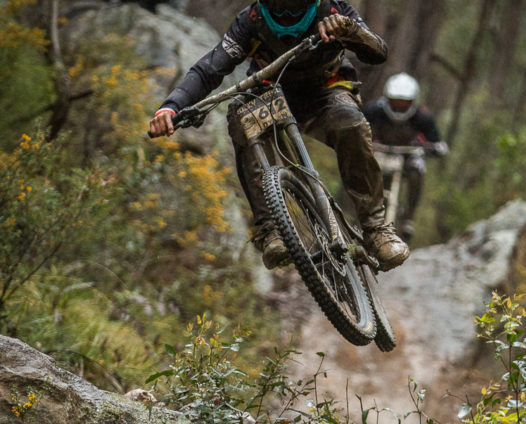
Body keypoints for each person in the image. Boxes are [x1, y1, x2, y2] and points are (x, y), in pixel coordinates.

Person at [149, 0, 410, 271]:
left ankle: (376, 229)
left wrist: (352, 31)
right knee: (242, 118)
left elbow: (378, 53)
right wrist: (171, 107)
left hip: (326, 92)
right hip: (269, 94)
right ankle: (270, 228)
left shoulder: (334, 10)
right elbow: (209, 69)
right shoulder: (251, 21)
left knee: (351, 124)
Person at [363, 72, 448, 242]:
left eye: (404, 102)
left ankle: (409, 216)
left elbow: (436, 142)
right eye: (395, 101)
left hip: (409, 155)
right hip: (380, 151)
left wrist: (435, 148)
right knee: (361, 167)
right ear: (387, 98)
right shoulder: (374, 110)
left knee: (417, 170)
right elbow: (356, 125)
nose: (399, 105)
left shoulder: (423, 117)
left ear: (413, 101)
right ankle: (360, 206)